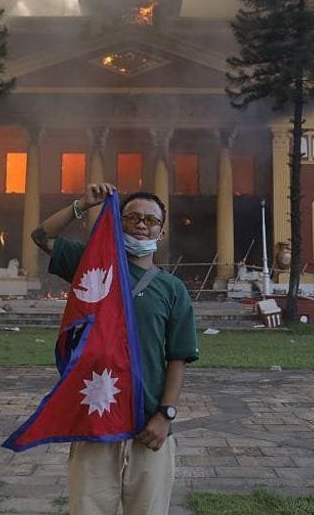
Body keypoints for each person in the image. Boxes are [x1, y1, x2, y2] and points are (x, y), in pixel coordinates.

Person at [32, 182, 199, 515]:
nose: (141, 224)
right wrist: (83, 204)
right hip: (95, 420)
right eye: (132, 217)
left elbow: (178, 357)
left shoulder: (172, 289)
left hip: (148, 425)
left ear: (161, 232)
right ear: (118, 223)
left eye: (150, 220)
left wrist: (165, 415)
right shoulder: (92, 265)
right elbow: (41, 236)